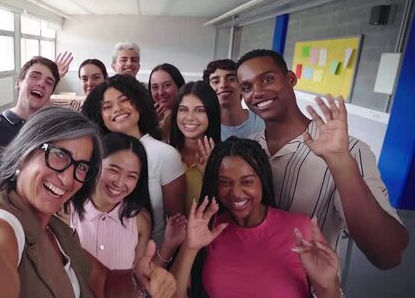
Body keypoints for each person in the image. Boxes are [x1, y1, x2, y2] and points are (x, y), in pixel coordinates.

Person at [0, 107, 176, 298]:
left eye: (81, 166)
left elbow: (102, 284)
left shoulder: (54, 228)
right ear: (25, 152)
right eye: (58, 154)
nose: (67, 177)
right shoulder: (0, 227)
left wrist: (139, 280)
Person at [236, 48, 408, 269]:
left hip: (312, 288)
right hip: (249, 280)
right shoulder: (248, 149)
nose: (257, 92)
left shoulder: (349, 150)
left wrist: (339, 162)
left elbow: (387, 255)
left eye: (267, 79)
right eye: (247, 87)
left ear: (290, 79)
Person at [170, 137, 342, 298]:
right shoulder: (207, 231)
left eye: (247, 182)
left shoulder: (300, 228)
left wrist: (327, 284)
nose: (236, 193)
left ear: (262, 180)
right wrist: (189, 247)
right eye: (225, 182)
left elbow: (328, 291)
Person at [82, 75, 187, 247]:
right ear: (100, 116)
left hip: (152, 258)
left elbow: (177, 222)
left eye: (124, 100)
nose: (117, 108)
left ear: (138, 104)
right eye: (107, 106)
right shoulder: (94, 154)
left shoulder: (165, 154)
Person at [70, 132, 186, 270]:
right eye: (114, 170)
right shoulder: (66, 210)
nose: (119, 183)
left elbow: (140, 281)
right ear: (96, 164)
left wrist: (169, 245)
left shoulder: (140, 220)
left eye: (131, 176)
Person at [0, 56, 60, 203]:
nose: (42, 83)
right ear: (18, 83)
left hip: (36, 214)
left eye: (49, 82)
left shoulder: (53, 132)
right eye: (35, 76)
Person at [168, 81, 221, 209]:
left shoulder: (224, 158)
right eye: (183, 110)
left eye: (199, 110)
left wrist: (209, 176)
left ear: (211, 113)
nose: (190, 117)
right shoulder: (164, 153)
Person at [203, 59, 264, 140]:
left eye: (231, 79)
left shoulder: (263, 123)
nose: (223, 85)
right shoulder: (204, 128)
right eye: (216, 81)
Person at [148, 63, 186, 136]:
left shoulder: (187, 119)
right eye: (155, 87)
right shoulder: (146, 118)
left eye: (167, 85)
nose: (161, 92)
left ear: (179, 86)